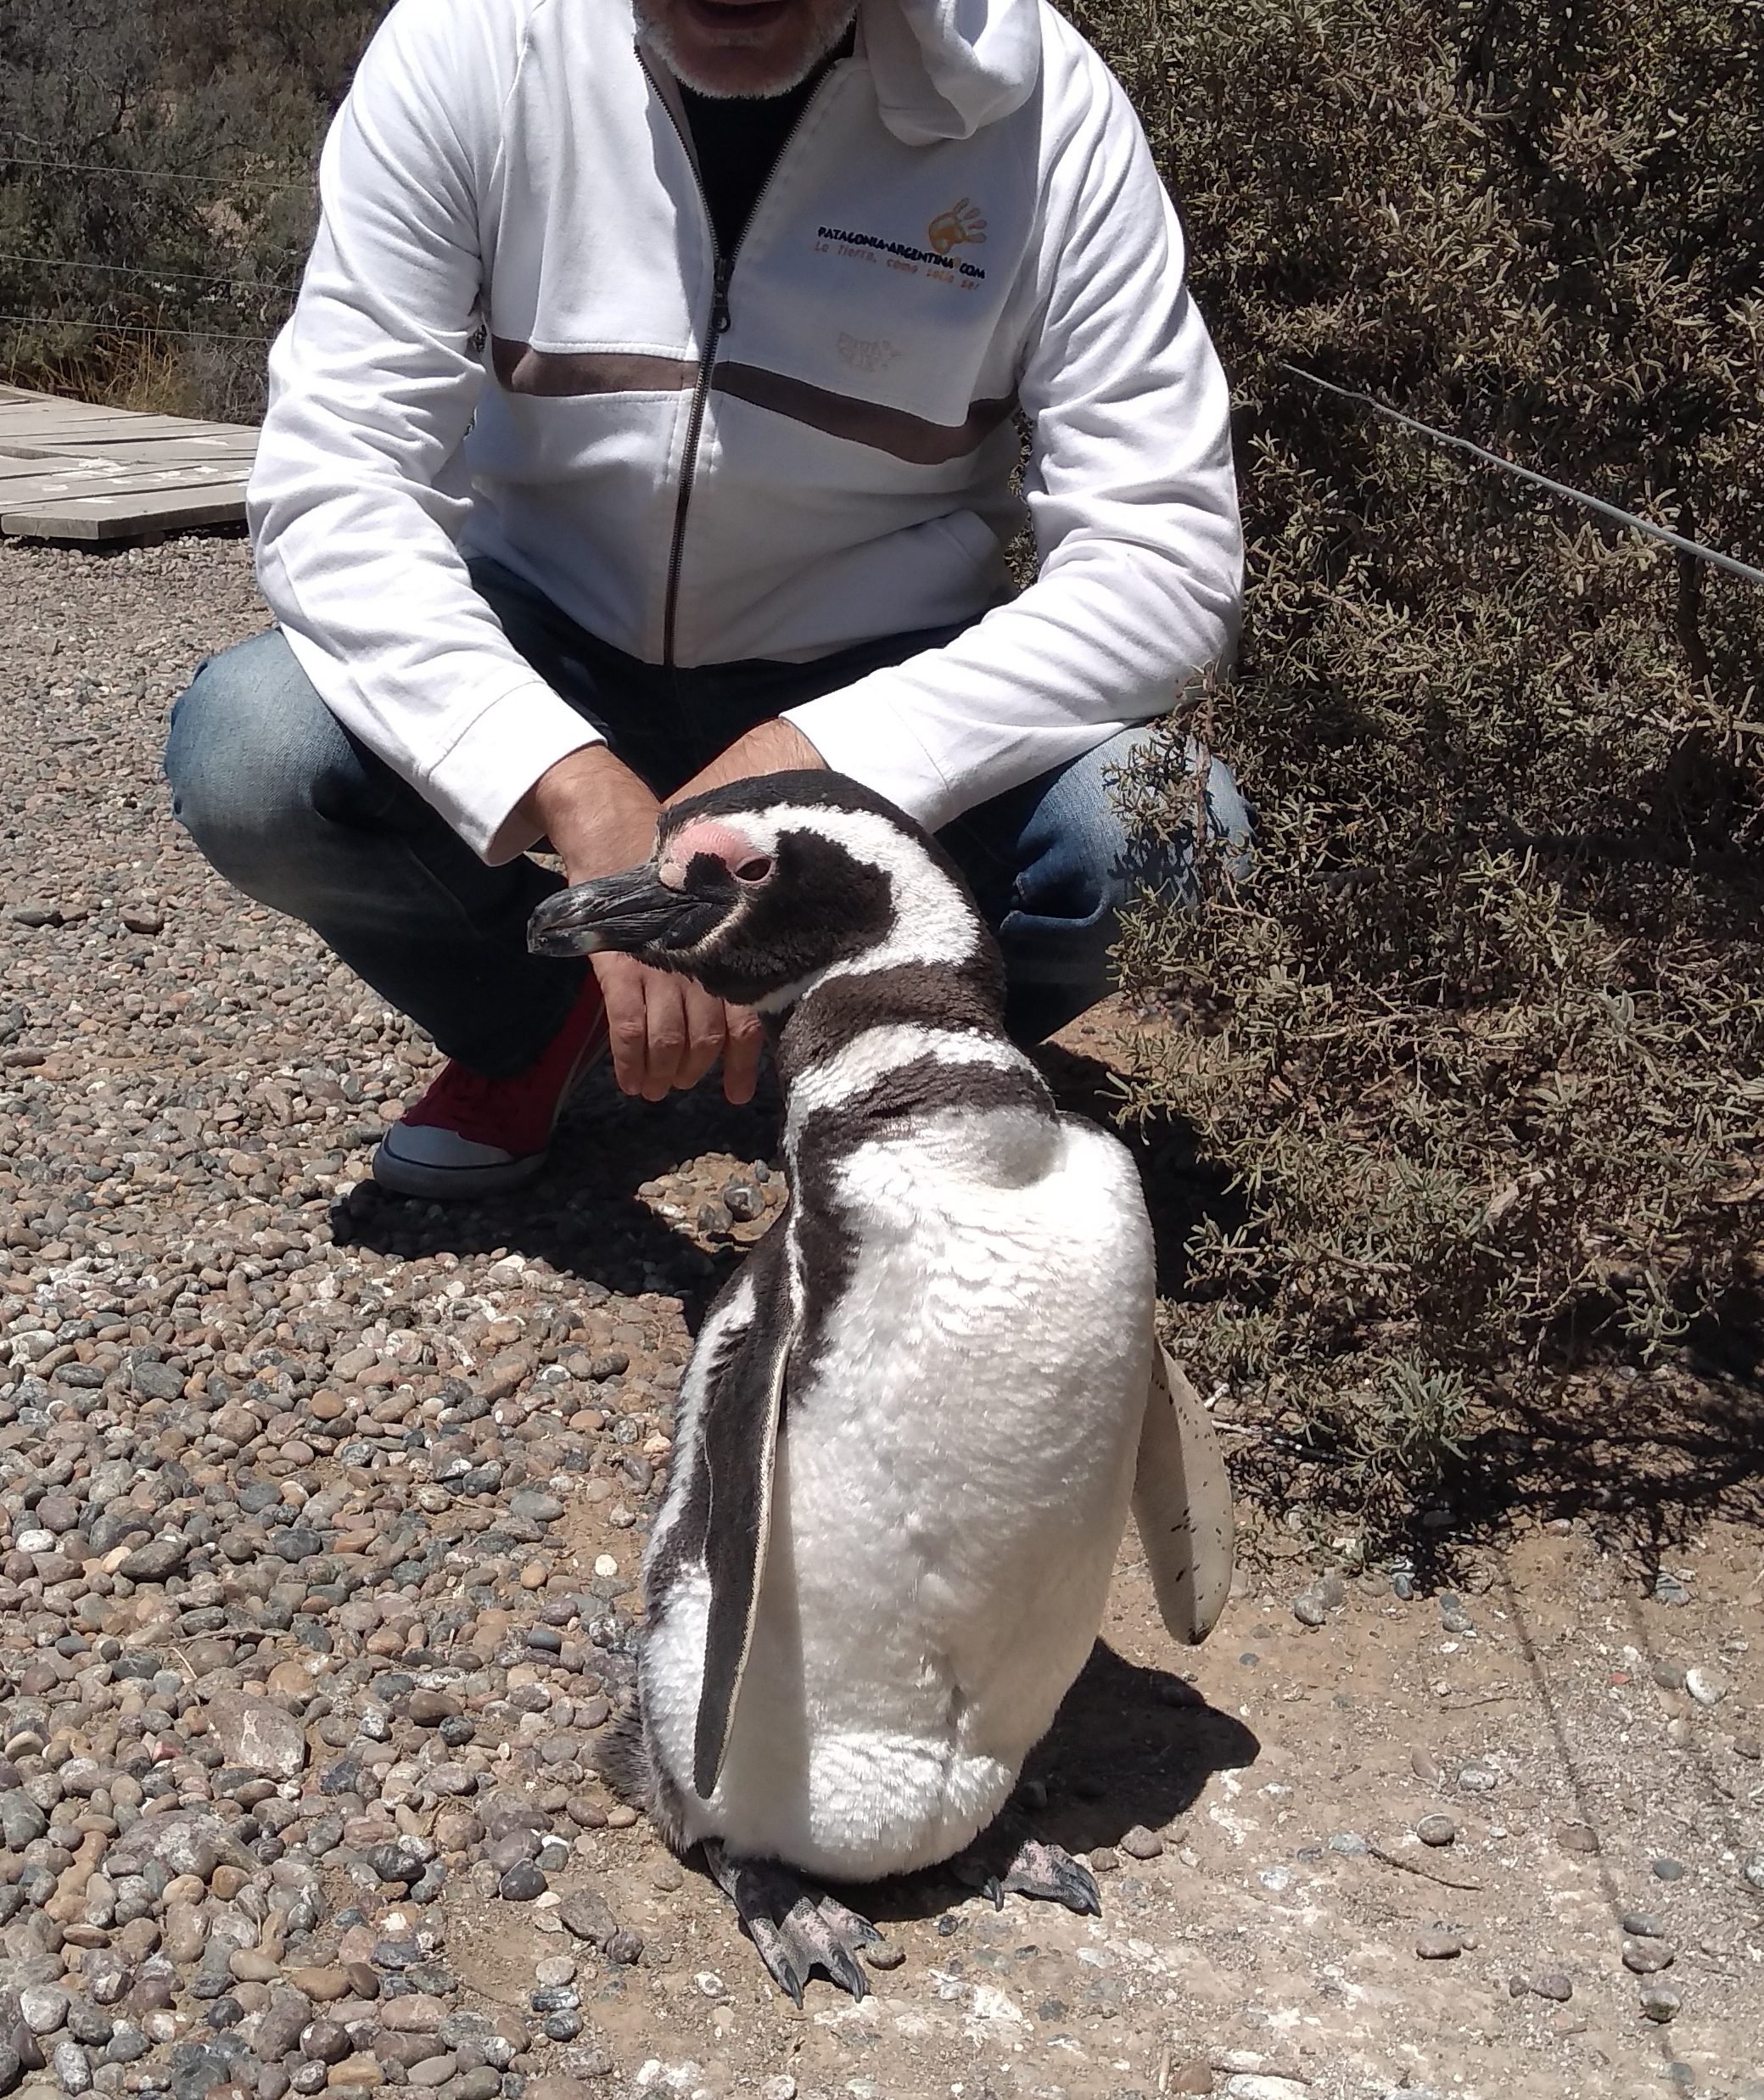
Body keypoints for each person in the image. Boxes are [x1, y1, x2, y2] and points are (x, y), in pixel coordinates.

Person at [165, 0, 1246, 1201]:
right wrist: (564, 778)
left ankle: (847, 1057)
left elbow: (1167, 555)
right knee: (252, 751)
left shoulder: (1047, 105)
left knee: (1159, 835)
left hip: (876, 676)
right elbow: (335, 482)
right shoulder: (470, 38)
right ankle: (545, 1025)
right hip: (550, 644)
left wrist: (814, 756)